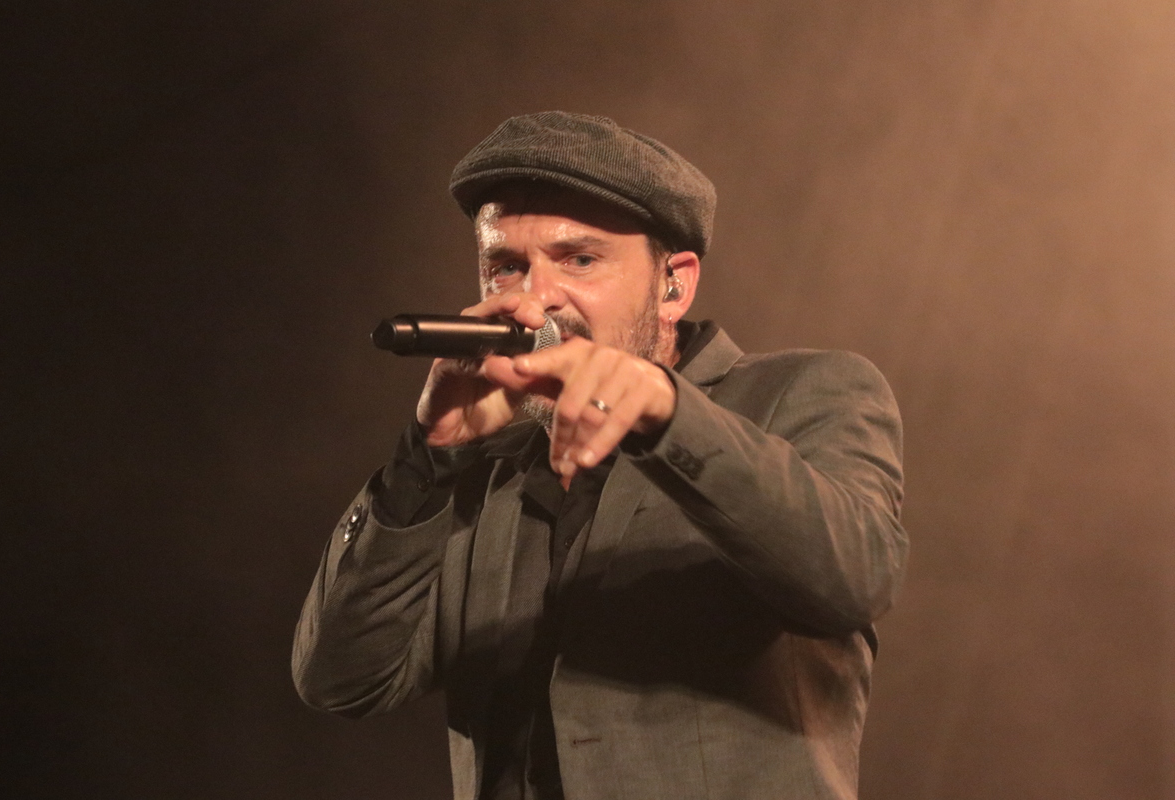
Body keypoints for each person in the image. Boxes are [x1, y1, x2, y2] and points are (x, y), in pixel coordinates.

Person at [293, 111, 908, 800]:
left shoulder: (799, 394)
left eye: (579, 260)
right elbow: (341, 679)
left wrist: (664, 415)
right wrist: (428, 460)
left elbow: (856, 574)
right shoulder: (486, 465)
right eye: (506, 267)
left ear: (673, 284)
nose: (535, 299)